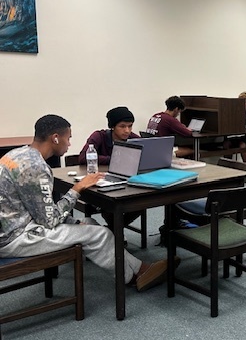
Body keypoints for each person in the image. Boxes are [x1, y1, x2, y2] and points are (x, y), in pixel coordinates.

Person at [0, 114, 167, 292]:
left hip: (12, 227)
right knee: (100, 234)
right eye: (68, 138)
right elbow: (48, 221)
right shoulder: (35, 167)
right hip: (16, 239)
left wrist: (73, 221)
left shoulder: (17, 154)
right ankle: (132, 277)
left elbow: (37, 209)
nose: (69, 144)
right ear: (55, 138)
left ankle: (141, 269)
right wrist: (77, 189)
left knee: (89, 223)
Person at [78, 106, 141, 231]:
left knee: (141, 203)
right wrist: (113, 159)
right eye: (122, 126)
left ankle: (113, 231)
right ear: (112, 126)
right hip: (99, 182)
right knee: (109, 205)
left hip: (125, 182)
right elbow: (83, 158)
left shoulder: (134, 139)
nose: (127, 130)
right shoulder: (98, 136)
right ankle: (115, 232)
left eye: (130, 126)